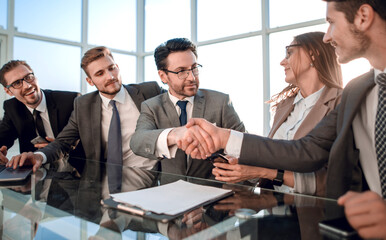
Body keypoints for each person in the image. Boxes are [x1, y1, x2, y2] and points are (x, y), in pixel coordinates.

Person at [179, 1, 386, 239]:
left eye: (330, 22)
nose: (327, 36)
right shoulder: (358, 91)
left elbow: (336, 179)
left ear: (363, 16)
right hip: (280, 214)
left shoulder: (342, 97)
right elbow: (306, 150)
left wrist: (261, 170)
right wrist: (225, 139)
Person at [7, 46, 163, 196]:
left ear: (118, 67)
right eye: (100, 73)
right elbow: (63, 142)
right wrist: (38, 157)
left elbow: (178, 102)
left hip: (152, 181)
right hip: (102, 185)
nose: (110, 76)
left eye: (111, 68)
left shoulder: (149, 91)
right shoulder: (83, 105)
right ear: (90, 81)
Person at [212, 31, 343, 196]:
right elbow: (273, 155)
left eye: (289, 53)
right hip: (274, 207)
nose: (283, 62)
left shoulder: (341, 103)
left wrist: (261, 171)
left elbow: (331, 178)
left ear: (313, 54)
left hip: (312, 210)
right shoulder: (284, 106)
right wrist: (241, 167)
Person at [130, 38, 245, 179]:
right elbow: (137, 142)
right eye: (181, 71)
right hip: (170, 194)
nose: (191, 77)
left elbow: (244, 146)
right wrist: (176, 134)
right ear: (163, 76)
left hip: (213, 193)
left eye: (194, 68)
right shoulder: (152, 106)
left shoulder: (220, 102)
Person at [0, 60, 83, 170]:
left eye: (29, 77)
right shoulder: (12, 107)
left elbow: (90, 144)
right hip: (33, 174)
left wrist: (60, 148)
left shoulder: (70, 101)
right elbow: (3, 136)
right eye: (17, 83)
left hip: (72, 171)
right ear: (8, 91)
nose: (27, 85)